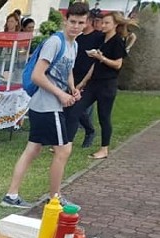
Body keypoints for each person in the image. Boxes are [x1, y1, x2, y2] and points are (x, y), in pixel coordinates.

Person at [0, 2, 89, 209]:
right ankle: (55, 197)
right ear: (65, 21)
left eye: (80, 23)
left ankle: (11, 195)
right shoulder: (55, 42)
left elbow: (67, 69)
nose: (75, 26)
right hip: (46, 105)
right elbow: (37, 76)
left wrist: (72, 88)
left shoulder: (73, 45)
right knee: (64, 150)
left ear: (85, 24)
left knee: (32, 149)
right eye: (72, 22)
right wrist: (60, 94)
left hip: (50, 104)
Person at [67, 11, 137, 160]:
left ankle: (104, 149)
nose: (103, 25)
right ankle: (67, 144)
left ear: (115, 25)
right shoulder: (102, 39)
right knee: (75, 110)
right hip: (94, 83)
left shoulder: (117, 41)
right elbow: (94, 65)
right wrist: (82, 83)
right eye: (102, 22)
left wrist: (101, 57)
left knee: (104, 117)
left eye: (107, 23)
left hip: (107, 85)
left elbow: (118, 64)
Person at [69, 9, 105, 148]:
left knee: (79, 107)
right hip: (75, 74)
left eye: (82, 22)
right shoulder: (79, 38)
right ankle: (68, 139)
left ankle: (89, 131)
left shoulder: (98, 37)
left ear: (89, 21)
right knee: (71, 107)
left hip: (88, 77)